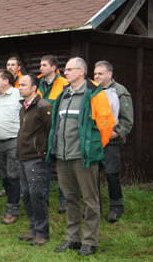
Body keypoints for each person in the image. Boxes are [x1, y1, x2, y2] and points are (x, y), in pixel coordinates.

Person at [48, 57, 115, 256]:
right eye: (65, 70)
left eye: (69, 70)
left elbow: (107, 126)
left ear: (81, 72)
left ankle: (90, 241)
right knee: (70, 199)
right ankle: (73, 238)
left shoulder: (95, 95)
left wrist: (91, 148)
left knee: (90, 200)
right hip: (62, 157)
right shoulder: (63, 95)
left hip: (83, 158)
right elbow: (56, 126)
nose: (65, 73)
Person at [94, 60, 134, 223]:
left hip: (111, 143)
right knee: (92, 176)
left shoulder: (120, 91)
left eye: (100, 73)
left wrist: (117, 133)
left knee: (111, 175)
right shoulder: (92, 91)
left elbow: (127, 119)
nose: (96, 76)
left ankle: (116, 208)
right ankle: (95, 208)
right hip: (95, 142)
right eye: (95, 73)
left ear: (109, 74)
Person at [17, 74, 53, 246]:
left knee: (37, 195)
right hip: (22, 157)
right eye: (19, 84)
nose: (20, 87)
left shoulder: (43, 106)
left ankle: (42, 233)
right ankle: (33, 229)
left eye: (24, 84)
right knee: (26, 194)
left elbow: (50, 130)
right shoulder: (23, 107)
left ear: (34, 88)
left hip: (36, 159)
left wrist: (43, 152)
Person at [38, 55, 69, 213]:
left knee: (62, 166)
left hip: (58, 130)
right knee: (44, 166)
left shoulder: (64, 84)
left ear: (53, 67)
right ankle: (44, 198)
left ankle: (64, 200)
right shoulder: (39, 83)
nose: (41, 68)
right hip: (43, 131)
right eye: (40, 65)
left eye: (44, 65)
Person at [0, 69, 22, 225]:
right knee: (4, 175)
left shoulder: (18, 95)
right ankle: (10, 206)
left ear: (6, 81)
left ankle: (13, 210)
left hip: (14, 141)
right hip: (0, 143)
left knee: (13, 175)